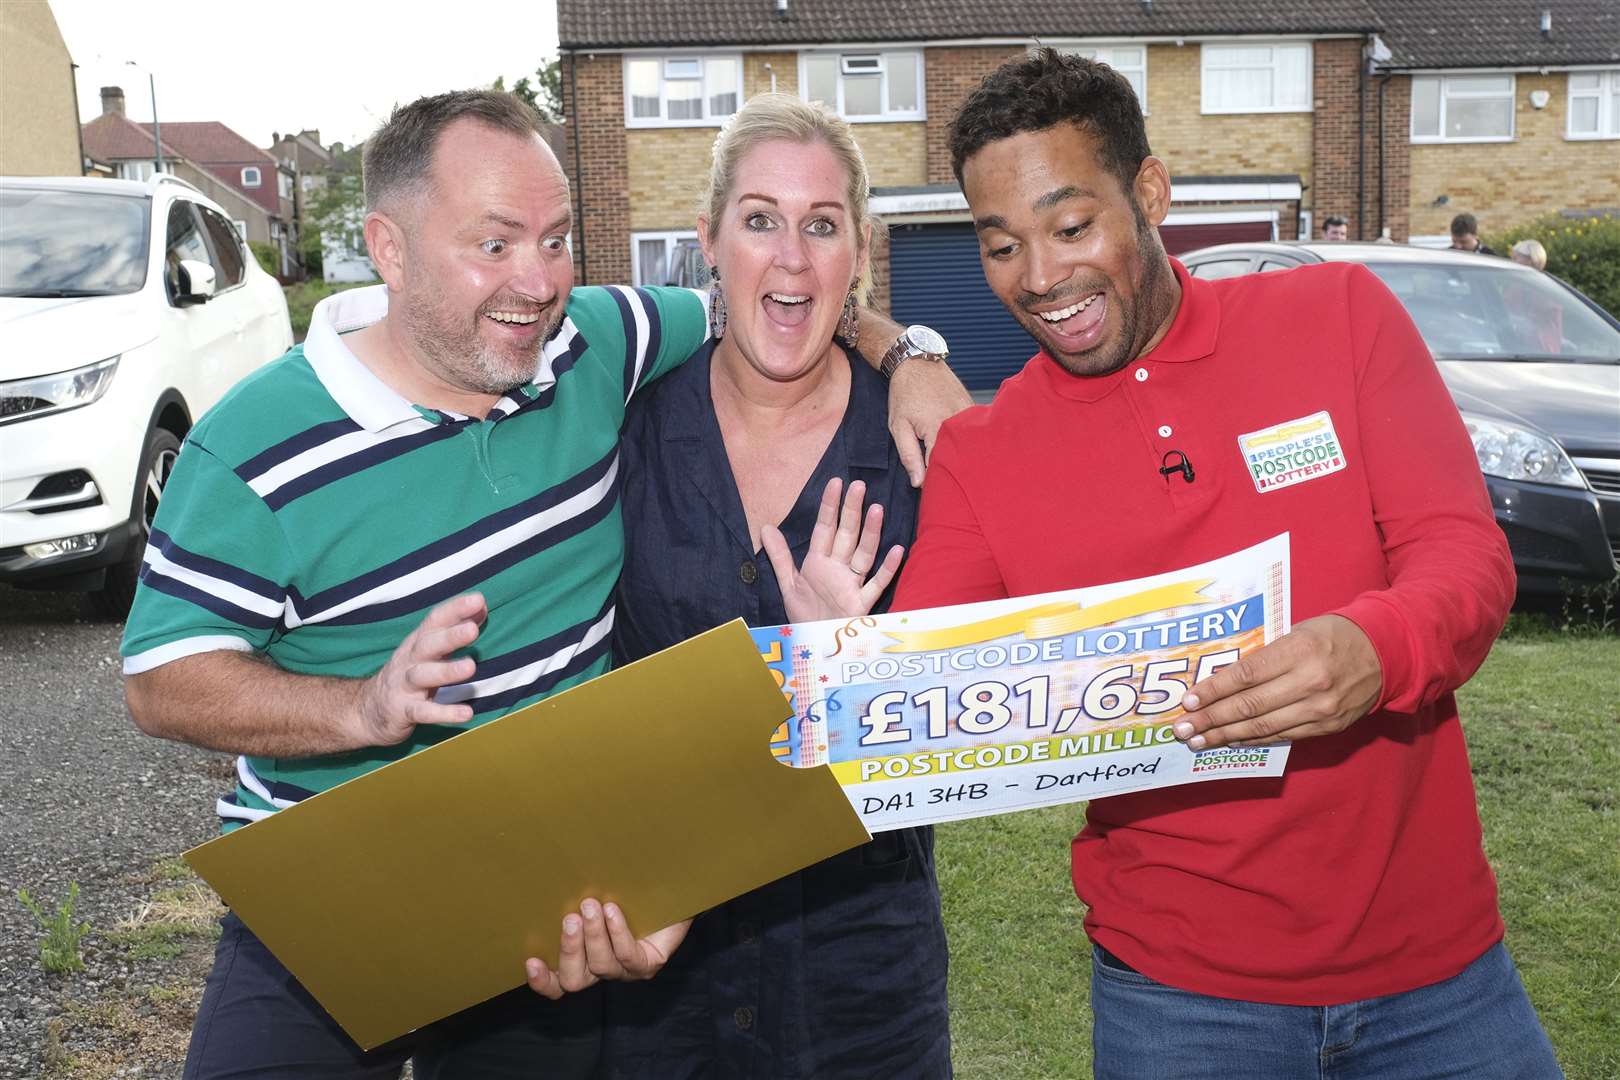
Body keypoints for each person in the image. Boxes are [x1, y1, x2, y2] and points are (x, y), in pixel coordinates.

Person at [120, 88, 968, 1079]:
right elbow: (160, 679)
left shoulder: (593, 347)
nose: (536, 281)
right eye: (494, 244)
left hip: (540, 891)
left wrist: (909, 352)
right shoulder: (255, 445)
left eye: (557, 241)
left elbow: (785, 299)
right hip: (331, 884)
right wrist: (363, 706)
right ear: (389, 249)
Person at [895, 49, 1561, 1079]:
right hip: (1179, 1002)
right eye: (1000, 245)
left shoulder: (1338, 319)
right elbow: (919, 699)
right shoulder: (983, 457)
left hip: (1439, 975)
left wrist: (1374, 648)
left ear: (1151, 193)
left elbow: (1464, 556)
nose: (1038, 279)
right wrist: (857, 647)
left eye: (1072, 228)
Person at [525, 93, 952, 1079]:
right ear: (709, 242)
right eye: (759, 219)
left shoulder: (918, 446)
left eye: (822, 225)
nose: (792, 258)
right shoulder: (620, 425)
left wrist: (846, 672)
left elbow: (978, 723)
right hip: (660, 970)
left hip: (859, 988)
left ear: (860, 252)